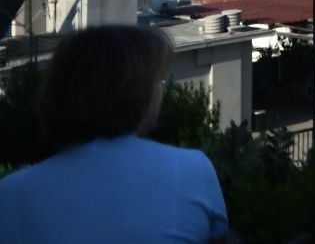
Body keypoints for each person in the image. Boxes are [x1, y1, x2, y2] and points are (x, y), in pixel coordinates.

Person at [0, 24, 230, 243]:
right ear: (137, 94)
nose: (162, 90)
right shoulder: (192, 169)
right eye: (156, 81)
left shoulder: (10, 194)